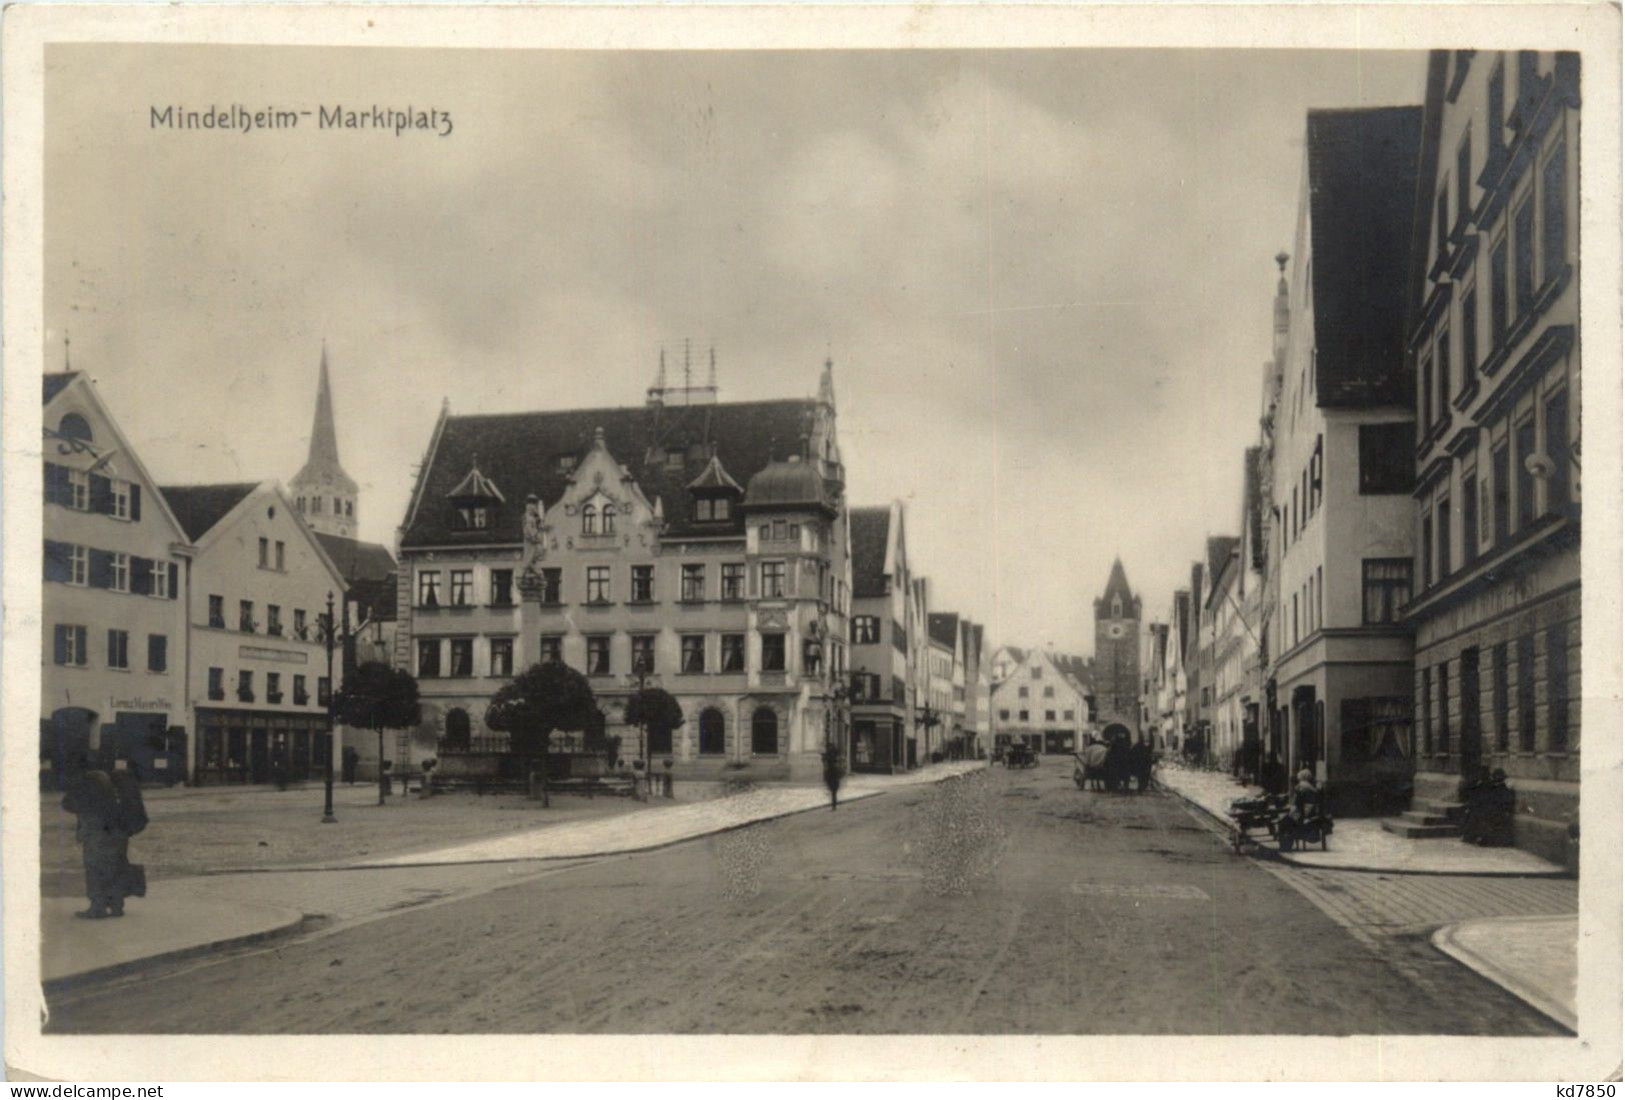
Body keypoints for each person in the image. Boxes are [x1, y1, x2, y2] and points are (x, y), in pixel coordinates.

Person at [61, 767, 140, 919]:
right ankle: (117, 906)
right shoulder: (115, 794)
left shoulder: (89, 792)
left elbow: (67, 804)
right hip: (119, 835)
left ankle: (97, 907)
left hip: (97, 836)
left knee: (95, 870)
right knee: (116, 868)